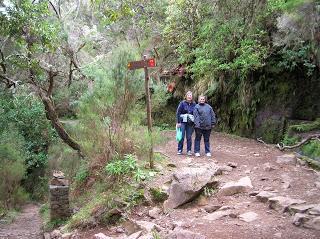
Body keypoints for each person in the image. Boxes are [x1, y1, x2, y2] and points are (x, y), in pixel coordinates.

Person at [176, 91, 196, 155]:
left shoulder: (194, 104)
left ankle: (189, 150)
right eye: (188, 95)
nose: (189, 96)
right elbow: (178, 113)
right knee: (181, 136)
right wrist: (178, 122)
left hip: (190, 123)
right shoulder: (182, 103)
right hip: (182, 122)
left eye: (191, 95)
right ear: (186, 96)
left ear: (192, 97)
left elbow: (196, 114)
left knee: (189, 137)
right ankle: (179, 149)